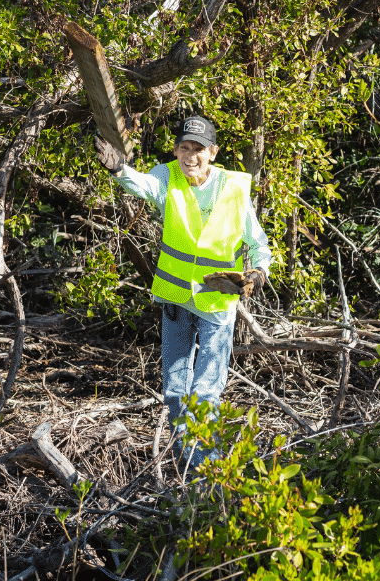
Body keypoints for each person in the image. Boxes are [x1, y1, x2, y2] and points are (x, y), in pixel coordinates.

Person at [94, 115, 271, 471]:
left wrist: (258, 274)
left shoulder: (234, 189)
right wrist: (118, 169)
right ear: (176, 149)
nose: (191, 156)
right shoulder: (167, 175)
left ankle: (207, 477)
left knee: (205, 394)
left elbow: (258, 243)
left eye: (199, 149)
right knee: (175, 392)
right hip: (176, 301)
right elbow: (142, 185)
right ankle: (189, 465)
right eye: (185, 147)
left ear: (213, 153)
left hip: (217, 304)